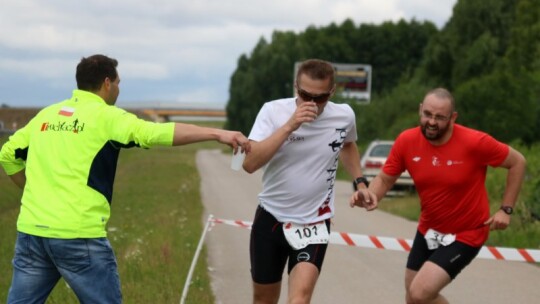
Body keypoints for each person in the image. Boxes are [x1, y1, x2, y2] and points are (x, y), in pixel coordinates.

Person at [0, 54, 251, 304]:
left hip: (32, 232)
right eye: (119, 83)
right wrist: (217, 134)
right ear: (107, 83)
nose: (119, 89)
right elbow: (157, 133)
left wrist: (32, 190)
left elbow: (8, 154)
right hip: (79, 235)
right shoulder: (108, 117)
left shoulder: (47, 115)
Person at [350, 88, 526, 304]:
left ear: (453, 118)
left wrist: (505, 209)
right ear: (420, 110)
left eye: (439, 117)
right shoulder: (407, 140)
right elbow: (386, 179)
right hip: (429, 230)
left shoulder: (475, 142)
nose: (431, 122)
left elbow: (518, 162)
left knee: (420, 293)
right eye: (427, 115)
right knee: (413, 297)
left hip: (467, 233)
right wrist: (369, 195)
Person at [243, 58, 375, 304]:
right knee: (263, 300)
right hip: (271, 218)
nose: (312, 103)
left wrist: (360, 182)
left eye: (320, 98)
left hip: (314, 222)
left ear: (332, 92)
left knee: (300, 299)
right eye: (305, 95)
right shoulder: (273, 111)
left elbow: (347, 144)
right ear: (296, 87)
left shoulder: (343, 115)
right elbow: (250, 164)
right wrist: (289, 125)